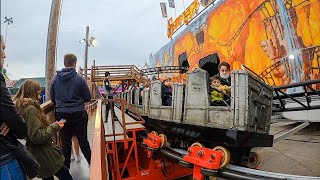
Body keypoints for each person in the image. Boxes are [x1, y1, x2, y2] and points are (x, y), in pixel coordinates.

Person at [13, 80, 73, 180]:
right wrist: (56, 126)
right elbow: (37, 136)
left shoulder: (21, 108)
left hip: (37, 153)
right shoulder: (31, 109)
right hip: (45, 153)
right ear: (32, 93)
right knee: (65, 175)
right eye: (38, 94)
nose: (40, 97)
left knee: (48, 177)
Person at [50, 54, 91, 169]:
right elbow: (88, 97)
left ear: (64, 63)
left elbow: (53, 98)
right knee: (83, 140)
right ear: (74, 63)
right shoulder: (80, 79)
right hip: (78, 113)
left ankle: (66, 169)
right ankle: (93, 165)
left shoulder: (54, 79)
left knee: (65, 142)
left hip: (62, 115)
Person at [0, 34, 28, 180]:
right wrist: (11, 121)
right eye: (3, 48)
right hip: (4, 160)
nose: (5, 54)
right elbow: (21, 129)